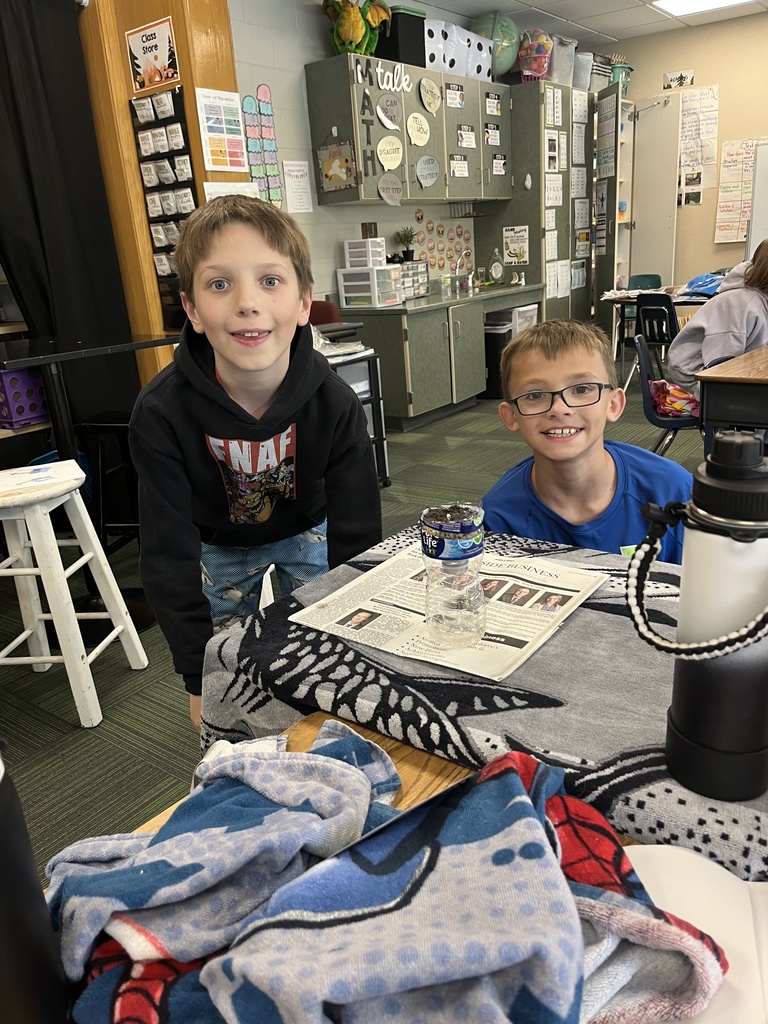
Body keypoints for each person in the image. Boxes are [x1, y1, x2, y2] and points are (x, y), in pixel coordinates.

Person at [129, 195, 382, 731]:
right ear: (193, 311)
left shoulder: (333, 402)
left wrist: (356, 647)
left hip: (307, 528)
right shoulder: (161, 414)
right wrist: (199, 679)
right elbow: (166, 553)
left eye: (270, 280)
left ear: (303, 302)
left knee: (322, 642)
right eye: (220, 284)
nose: (247, 302)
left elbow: (358, 532)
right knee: (227, 672)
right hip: (216, 542)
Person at [481, 319, 693, 564]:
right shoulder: (497, 515)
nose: (559, 409)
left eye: (581, 390)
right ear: (511, 416)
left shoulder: (673, 490)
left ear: (613, 405)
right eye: (535, 395)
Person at [667, 240, 768, 396]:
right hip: (696, 375)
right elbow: (719, 370)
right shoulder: (740, 304)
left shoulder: (760, 301)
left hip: (736, 373)